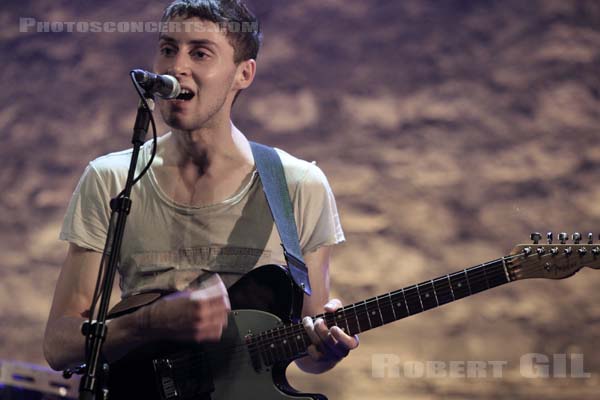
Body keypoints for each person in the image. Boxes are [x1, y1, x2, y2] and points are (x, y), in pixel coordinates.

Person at [43, 0, 359, 382]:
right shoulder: (110, 178)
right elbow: (59, 346)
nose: (177, 66)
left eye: (200, 53)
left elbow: (310, 353)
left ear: (243, 74)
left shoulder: (300, 185)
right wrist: (148, 323)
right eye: (167, 49)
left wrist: (328, 349)